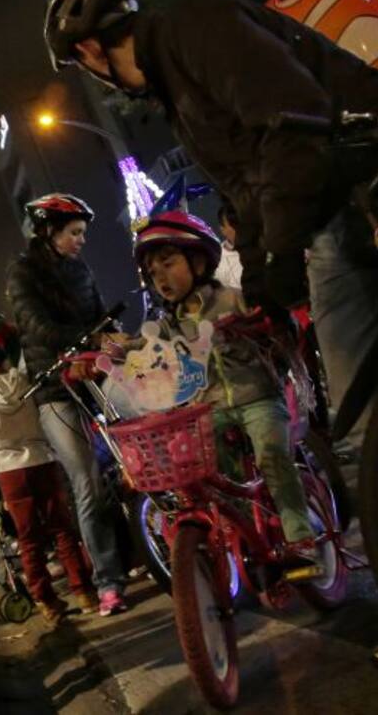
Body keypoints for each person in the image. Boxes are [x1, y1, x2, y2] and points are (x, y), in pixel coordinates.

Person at [44, 0, 378, 667]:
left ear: (93, 53)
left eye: (83, 65)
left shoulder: (196, 27)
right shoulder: (180, 87)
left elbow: (293, 126)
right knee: (373, 421)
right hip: (329, 215)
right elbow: (246, 194)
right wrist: (259, 279)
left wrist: (276, 258)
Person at [131, 211, 318, 560]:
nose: (161, 278)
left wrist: (260, 325)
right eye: (153, 273)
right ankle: (245, 537)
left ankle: (300, 536)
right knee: (208, 474)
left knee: (272, 456)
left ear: (199, 261)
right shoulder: (168, 325)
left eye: (169, 263)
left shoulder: (234, 298)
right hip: (209, 410)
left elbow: (283, 326)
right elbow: (141, 349)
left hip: (257, 396)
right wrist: (106, 353)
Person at [5, 193, 129, 617]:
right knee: (87, 482)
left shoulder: (81, 270)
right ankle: (108, 581)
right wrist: (89, 337)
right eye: (74, 233)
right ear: (49, 231)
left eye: (83, 234)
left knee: (141, 444)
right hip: (56, 390)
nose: (81, 241)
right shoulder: (22, 273)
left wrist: (119, 337)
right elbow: (36, 327)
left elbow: (100, 317)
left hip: (98, 373)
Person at [0, 314, 97, 627]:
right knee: (62, 528)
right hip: (42, 460)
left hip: (10, 471)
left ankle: (47, 602)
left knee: (28, 539)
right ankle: (84, 591)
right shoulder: (26, 380)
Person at [213, 203, 243, 290]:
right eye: (233, 225)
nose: (240, 229)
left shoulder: (262, 248)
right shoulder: (216, 259)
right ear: (223, 230)